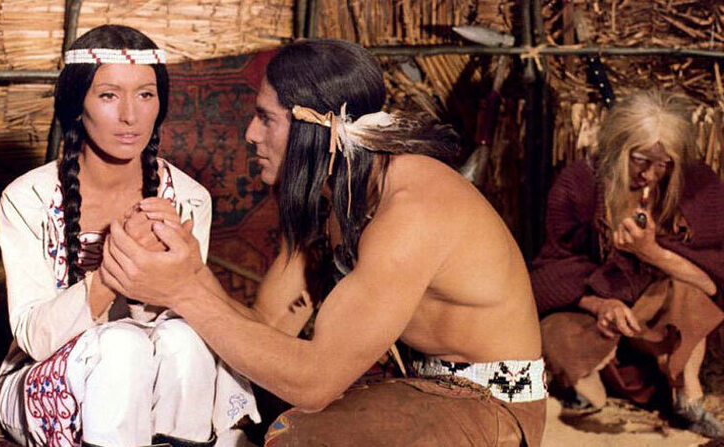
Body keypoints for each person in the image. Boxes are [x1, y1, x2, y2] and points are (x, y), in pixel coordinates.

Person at [100, 39, 547, 446]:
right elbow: (268, 328)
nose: (251, 134)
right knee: (248, 395)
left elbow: (314, 382)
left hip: (493, 406)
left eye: (266, 118)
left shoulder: (412, 210)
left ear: (316, 128)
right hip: (418, 388)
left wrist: (183, 292)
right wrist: (190, 272)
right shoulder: (331, 198)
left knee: (304, 437)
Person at [0, 24, 257, 447]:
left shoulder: (188, 199)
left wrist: (172, 265)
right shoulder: (28, 199)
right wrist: (116, 268)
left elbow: (189, 313)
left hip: (156, 374)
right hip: (47, 373)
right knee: (121, 346)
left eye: (146, 95)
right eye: (108, 95)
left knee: (186, 339)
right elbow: (35, 339)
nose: (130, 116)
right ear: (76, 105)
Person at [531, 90, 724, 438]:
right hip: (602, 324)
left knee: (690, 297)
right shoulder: (579, 183)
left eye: (664, 164)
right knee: (552, 334)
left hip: (664, 325)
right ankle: (589, 394)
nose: (650, 174)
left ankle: (687, 394)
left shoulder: (698, 187)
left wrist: (650, 251)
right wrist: (601, 304)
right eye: (639, 160)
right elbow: (552, 272)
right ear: (617, 149)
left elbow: (714, 282)